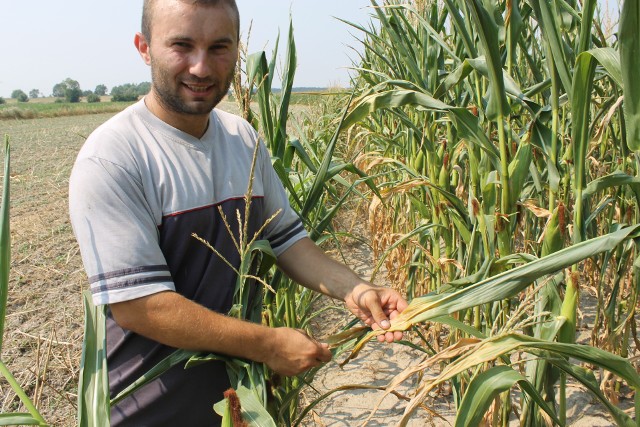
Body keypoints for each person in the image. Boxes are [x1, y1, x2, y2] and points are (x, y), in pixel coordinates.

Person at [68, 0, 408, 425]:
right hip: (151, 408)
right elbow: (140, 306)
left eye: (219, 47)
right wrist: (267, 345)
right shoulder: (115, 157)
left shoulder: (241, 138)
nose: (201, 67)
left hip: (234, 399)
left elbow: (287, 241)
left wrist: (357, 290)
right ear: (144, 47)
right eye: (182, 45)